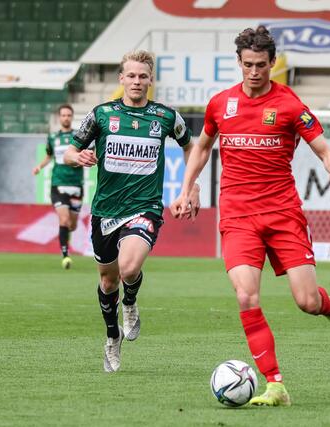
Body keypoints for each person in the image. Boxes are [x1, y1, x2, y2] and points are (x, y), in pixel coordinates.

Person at [170, 26, 330, 407]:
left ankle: (329, 308)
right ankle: (275, 385)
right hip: (238, 215)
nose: (254, 71)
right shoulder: (221, 103)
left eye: (261, 64)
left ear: (273, 63)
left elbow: (324, 150)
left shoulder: (289, 105)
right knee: (246, 295)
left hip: (283, 213)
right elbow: (203, 147)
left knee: (306, 301)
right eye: (248, 64)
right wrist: (186, 188)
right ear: (239, 62)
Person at [63, 50, 199, 373]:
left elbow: (192, 147)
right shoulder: (101, 114)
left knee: (128, 267)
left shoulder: (166, 117)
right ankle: (112, 335)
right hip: (105, 210)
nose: (137, 81)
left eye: (143, 76)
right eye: (132, 76)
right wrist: (77, 158)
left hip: (145, 207)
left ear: (151, 80)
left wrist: (191, 186)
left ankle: (131, 301)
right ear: (121, 78)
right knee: (108, 281)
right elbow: (70, 150)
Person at [32, 104, 82, 269]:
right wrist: (39, 166)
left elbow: (91, 151)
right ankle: (65, 256)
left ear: (72, 117)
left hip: (76, 185)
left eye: (68, 115)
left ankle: (65, 237)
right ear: (59, 117)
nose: (66, 118)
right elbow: (49, 156)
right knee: (64, 219)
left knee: (72, 225)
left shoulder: (79, 136)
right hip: (58, 184)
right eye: (63, 115)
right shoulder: (53, 137)